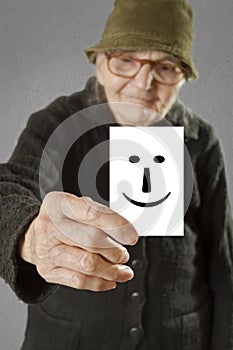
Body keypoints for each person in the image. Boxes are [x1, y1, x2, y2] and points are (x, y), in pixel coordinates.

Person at [0, 0, 232, 349]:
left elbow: (221, 260)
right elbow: (7, 189)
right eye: (126, 60)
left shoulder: (201, 140)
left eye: (166, 66)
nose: (143, 84)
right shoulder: (56, 124)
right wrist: (29, 234)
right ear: (101, 64)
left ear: (183, 77)